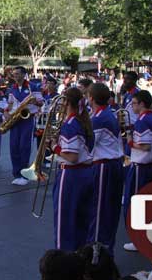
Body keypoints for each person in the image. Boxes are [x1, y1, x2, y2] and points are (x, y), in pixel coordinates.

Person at [51, 87, 94, 251]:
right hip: (85, 174)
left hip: (71, 175)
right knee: (81, 223)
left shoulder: (70, 124)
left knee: (65, 222)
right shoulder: (82, 122)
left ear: (67, 102)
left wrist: (54, 146)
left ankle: (64, 260)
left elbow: (72, 157)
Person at [123, 90, 152, 252]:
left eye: (133, 103)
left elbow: (145, 146)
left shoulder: (143, 120)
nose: (131, 106)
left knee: (136, 205)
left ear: (141, 104)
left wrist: (130, 141)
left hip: (143, 167)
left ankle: (139, 240)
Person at [87, 83, 124, 255]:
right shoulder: (105, 114)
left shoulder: (98, 119)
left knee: (99, 211)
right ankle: (106, 249)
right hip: (112, 164)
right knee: (109, 210)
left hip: (104, 166)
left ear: (91, 98)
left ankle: (96, 254)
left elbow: (87, 147)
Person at [5, 66, 43, 186]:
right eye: (14, 74)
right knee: (14, 147)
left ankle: (24, 175)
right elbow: (10, 104)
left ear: (23, 74)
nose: (15, 76)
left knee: (24, 147)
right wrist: (6, 112)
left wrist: (35, 102)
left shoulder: (33, 87)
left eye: (17, 74)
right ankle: (16, 174)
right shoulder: (12, 88)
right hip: (15, 120)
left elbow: (41, 103)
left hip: (27, 119)